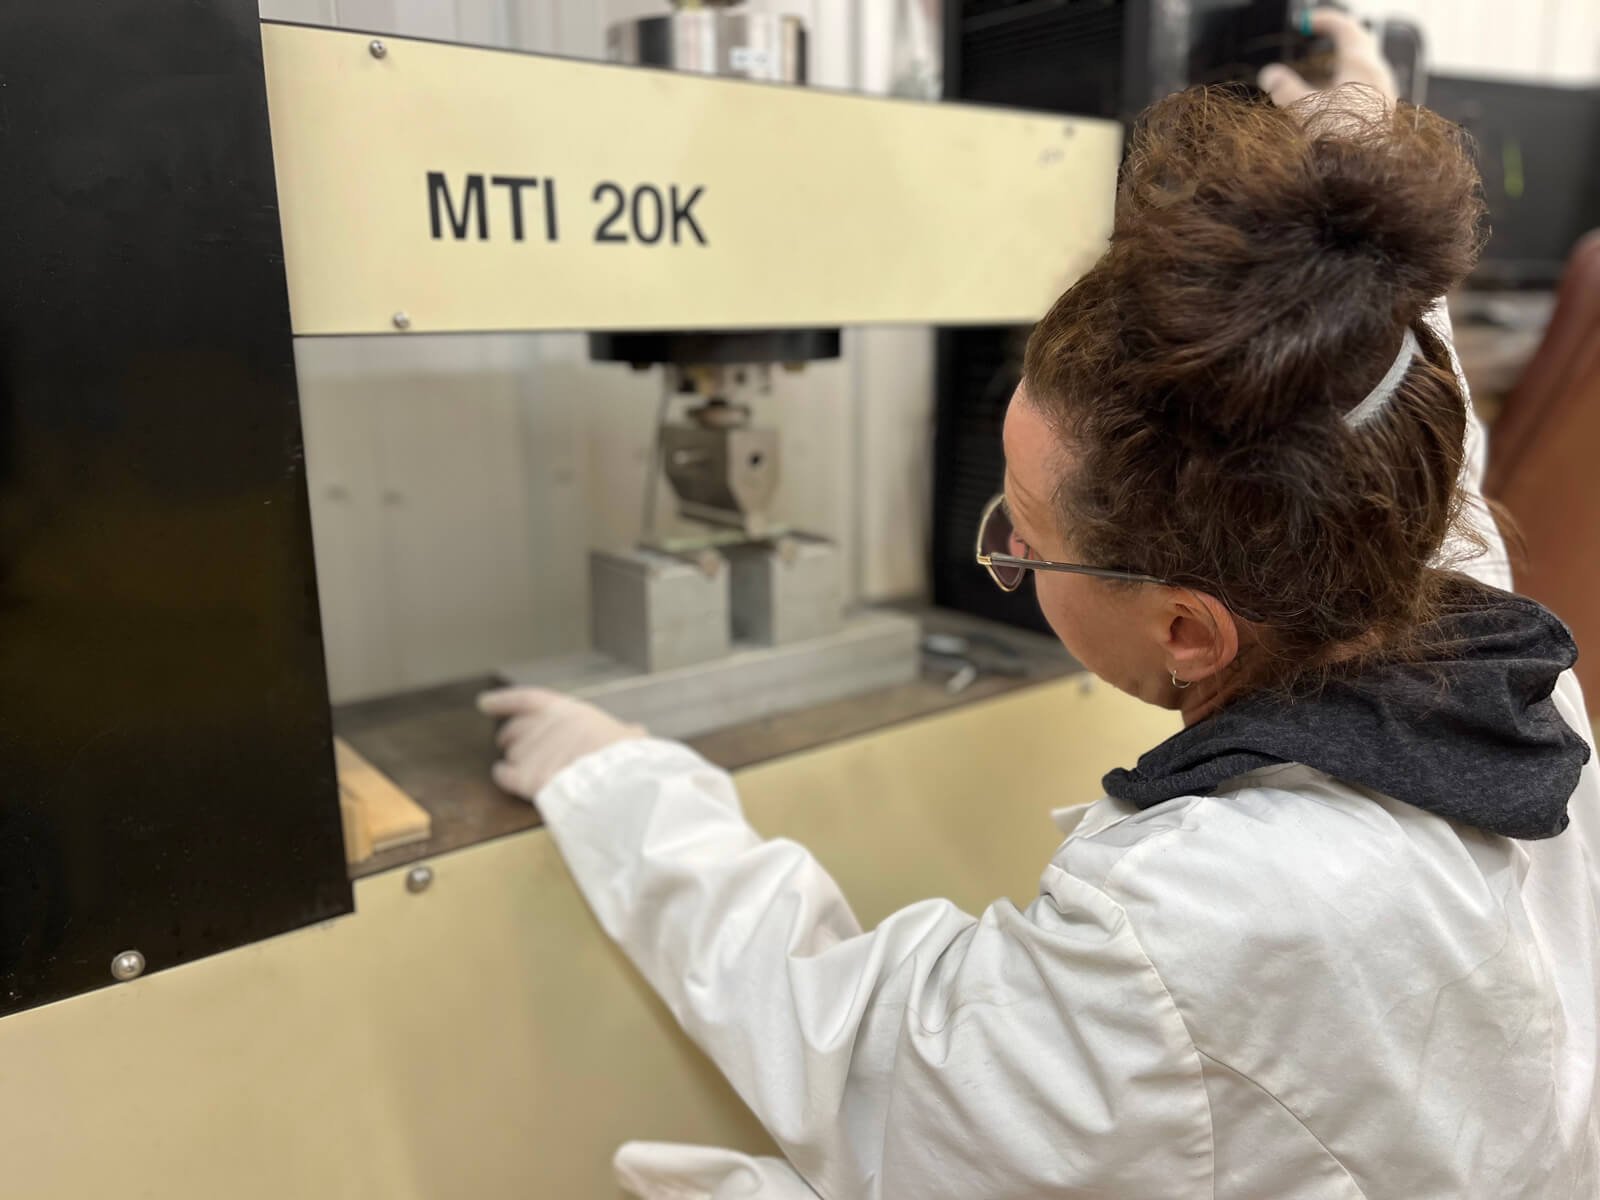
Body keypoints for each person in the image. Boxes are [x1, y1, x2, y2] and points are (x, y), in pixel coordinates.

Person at [480, 12, 1600, 1198]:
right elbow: (1417, 413)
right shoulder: (1491, 656)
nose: (1007, 544)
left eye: (1028, 537)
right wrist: (1338, 207)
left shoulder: (1201, 924)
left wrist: (627, 793)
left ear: (1185, 629)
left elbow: (864, 1057)